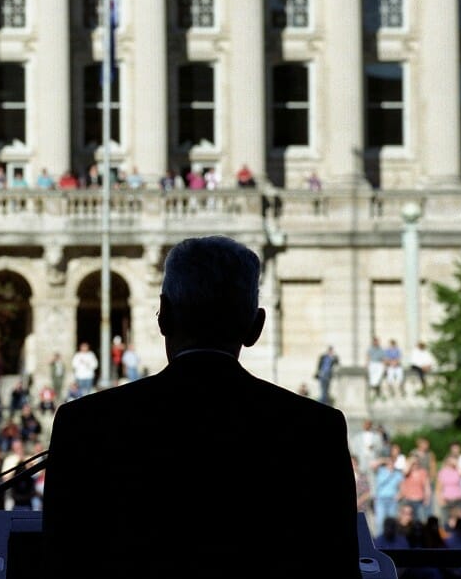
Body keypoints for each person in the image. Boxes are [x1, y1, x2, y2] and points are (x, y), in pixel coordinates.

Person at [41, 235, 360, 578]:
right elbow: (338, 565)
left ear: (163, 316)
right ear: (255, 327)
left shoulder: (85, 423)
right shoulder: (315, 429)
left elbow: (61, 562)